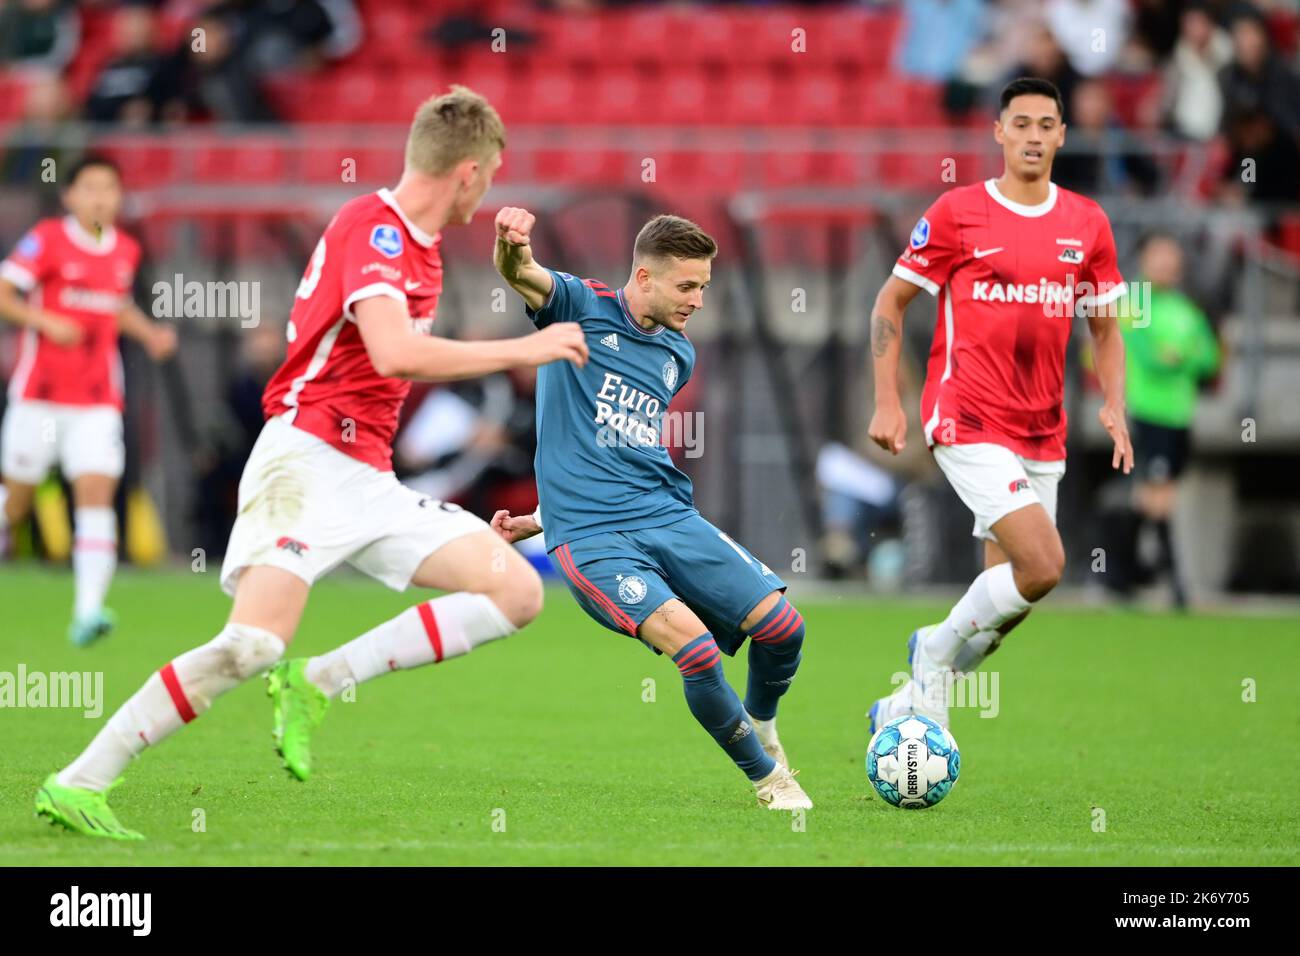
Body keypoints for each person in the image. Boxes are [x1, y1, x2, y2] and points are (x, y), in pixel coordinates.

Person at [34, 86, 588, 840]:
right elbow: (395, 351)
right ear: (466, 173)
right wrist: (522, 347)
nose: (488, 189)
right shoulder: (377, 229)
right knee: (252, 645)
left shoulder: (417, 249)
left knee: (515, 591)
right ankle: (78, 782)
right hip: (305, 458)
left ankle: (323, 679)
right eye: (488, 174)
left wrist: (515, 264)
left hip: (365, 473)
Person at [490, 210, 812, 811]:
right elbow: (522, 274)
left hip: (664, 513)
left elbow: (613, 442)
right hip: (592, 536)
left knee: (784, 629)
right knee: (695, 650)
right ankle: (770, 779)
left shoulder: (676, 355)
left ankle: (762, 723)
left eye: (705, 287)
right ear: (644, 276)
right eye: (687, 286)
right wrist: (513, 246)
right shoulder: (579, 308)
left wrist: (537, 514)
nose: (698, 299)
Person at [866, 77, 1133, 731]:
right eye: (1022, 124)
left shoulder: (1088, 222)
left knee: (1008, 607)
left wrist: (1116, 405)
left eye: (1047, 124)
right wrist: (888, 403)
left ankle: (903, 708)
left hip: (1043, 428)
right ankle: (927, 657)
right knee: (1044, 564)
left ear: (1063, 135)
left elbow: (1106, 324)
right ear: (999, 132)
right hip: (967, 414)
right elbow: (889, 303)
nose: (1034, 136)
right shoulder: (959, 212)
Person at [0, 155, 177, 645]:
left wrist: (148, 333)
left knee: (95, 495)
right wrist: (46, 322)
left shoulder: (124, 248)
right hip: (40, 397)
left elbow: (115, 305)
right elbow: (4, 292)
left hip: (98, 400)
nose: (101, 197)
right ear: (70, 195)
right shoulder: (48, 239)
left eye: (109, 189)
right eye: (91, 188)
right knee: (14, 504)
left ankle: (88, 611)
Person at [1118, 231, 1220, 607]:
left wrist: (1181, 357)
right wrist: (1176, 356)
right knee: (1158, 495)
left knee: (1158, 496)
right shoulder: (1133, 301)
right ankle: (1172, 580)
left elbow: (1208, 357)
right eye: (1158, 255)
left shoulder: (1187, 308)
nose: (1166, 264)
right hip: (1147, 411)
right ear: (1144, 260)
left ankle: (1125, 572)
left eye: (1171, 256)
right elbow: (1147, 356)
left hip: (1180, 414)